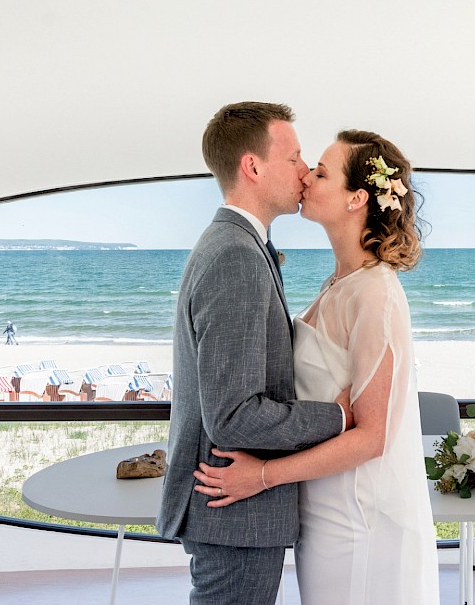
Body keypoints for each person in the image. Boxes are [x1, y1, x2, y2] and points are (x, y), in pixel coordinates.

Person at [194, 130, 440, 604]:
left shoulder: (376, 294)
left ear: (357, 199)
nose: (306, 175)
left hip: (361, 518)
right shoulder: (339, 283)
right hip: (323, 508)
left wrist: (262, 475)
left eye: (321, 172)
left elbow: (373, 436)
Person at [156, 102, 350, 605]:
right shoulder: (236, 257)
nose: (305, 170)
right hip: (233, 513)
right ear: (253, 167)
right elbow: (234, 418)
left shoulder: (243, 245)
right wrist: (337, 417)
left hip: (235, 514)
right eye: (295, 158)